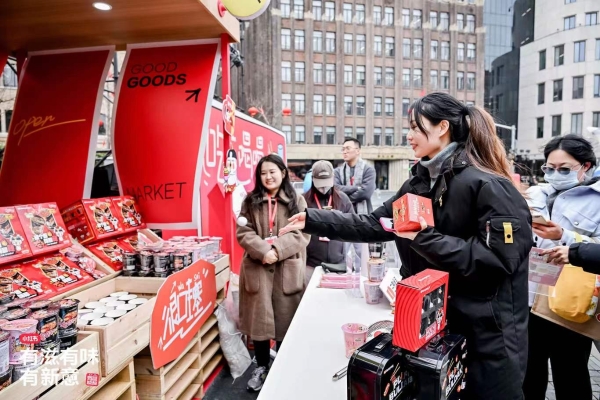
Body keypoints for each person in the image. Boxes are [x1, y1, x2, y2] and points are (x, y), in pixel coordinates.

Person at [280, 92, 533, 400]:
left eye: (415, 127)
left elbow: (497, 261)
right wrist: (312, 219)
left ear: (442, 127)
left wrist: (424, 238)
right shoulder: (418, 183)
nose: (409, 135)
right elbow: (375, 224)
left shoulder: (488, 185)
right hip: (436, 329)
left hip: (488, 340)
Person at [523, 134, 600, 400]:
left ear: (586, 166)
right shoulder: (535, 194)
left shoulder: (597, 198)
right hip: (530, 297)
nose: (556, 174)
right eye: (549, 168)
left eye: (564, 169)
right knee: (528, 372)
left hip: (570, 300)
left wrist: (565, 236)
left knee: (571, 373)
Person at [236, 154, 309, 392]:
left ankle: (284, 367)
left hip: (286, 267)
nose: (267, 177)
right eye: (263, 173)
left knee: (284, 320)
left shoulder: (296, 200)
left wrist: (277, 251)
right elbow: (243, 232)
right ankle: (262, 366)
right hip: (257, 267)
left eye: (272, 171)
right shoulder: (251, 200)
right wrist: (262, 250)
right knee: (260, 323)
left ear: (283, 172)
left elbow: (302, 234)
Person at [303, 160, 354, 285]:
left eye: (326, 183)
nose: (323, 188)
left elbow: (354, 226)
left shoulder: (343, 199)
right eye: (320, 184)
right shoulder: (304, 201)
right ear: (313, 179)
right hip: (310, 265)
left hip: (339, 265)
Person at [334, 137, 376, 213]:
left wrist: (345, 199)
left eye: (348, 148)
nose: (344, 152)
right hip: (343, 214)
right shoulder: (337, 171)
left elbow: (365, 193)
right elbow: (335, 189)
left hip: (364, 215)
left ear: (358, 151)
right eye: (343, 149)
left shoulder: (368, 170)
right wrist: (357, 188)